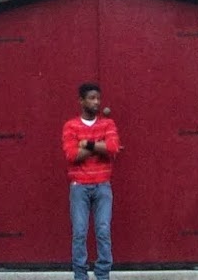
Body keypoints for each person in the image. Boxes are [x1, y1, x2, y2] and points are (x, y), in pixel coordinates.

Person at [62, 81, 120, 280]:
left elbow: (113, 148)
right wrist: (98, 146)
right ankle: (80, 275)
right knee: (80, 231)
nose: (96, 102)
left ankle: (103, 274)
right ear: (81, 101)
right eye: (91, 98)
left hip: (103, 184)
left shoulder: (108, 124)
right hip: (79, 186)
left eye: (98, 98)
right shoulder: (71, 126)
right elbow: (71, 155)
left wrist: (86, 143)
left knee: (103, 230)